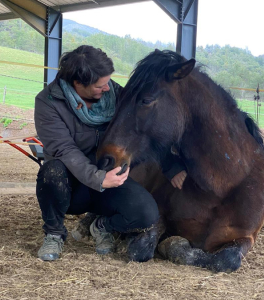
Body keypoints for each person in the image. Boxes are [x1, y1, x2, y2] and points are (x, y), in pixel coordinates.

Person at [34, 45, 187, 261]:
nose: (108, 88)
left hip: (109, 177)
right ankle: (54, 233)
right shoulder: (48, 102)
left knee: (146, 215)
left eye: (108, 81)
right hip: (72, 184)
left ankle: (102, 225)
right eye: (100, 85)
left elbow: (141, 130)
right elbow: (64, 149)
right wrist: (98, 178)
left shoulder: (116, 93)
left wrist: (171, 165)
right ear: (78, 84)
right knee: (51, 172)